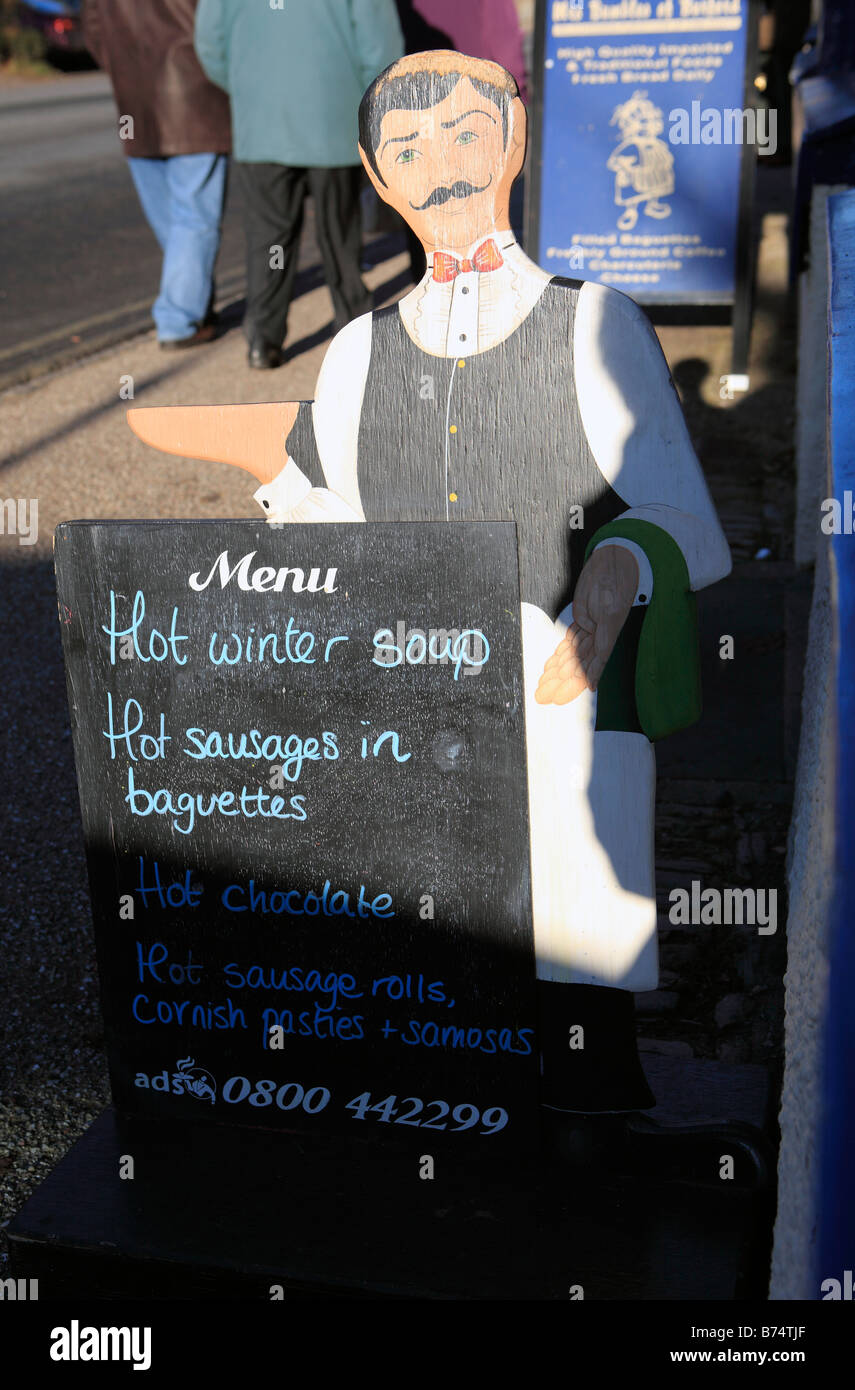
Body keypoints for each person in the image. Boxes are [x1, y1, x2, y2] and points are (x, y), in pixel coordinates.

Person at [129, 51, 734, 1139]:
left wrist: (616, 568)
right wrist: (273, 510)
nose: (440, 166)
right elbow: (331, 524)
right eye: (408, 150)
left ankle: (593, 1120)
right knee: (435, 941)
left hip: (563, 703)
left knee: (568, 927)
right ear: (376, 173)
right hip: (412, 708)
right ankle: (454, 1105)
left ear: (514, 140)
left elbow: (689, 523)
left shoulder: (599, 325)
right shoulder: (359, 351)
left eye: (464, 133)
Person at [194, 0, 404, 369]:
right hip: (333, 115)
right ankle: (353, 328)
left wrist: (246, 86)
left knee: (268, 238)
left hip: (261, 121)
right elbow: (380, 45)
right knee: (340, 233)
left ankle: (264, 338)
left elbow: (210, 42)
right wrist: (369, 101)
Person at [82, 0, 231, 350]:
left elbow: (91, 26)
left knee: (172, 219)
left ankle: (194, 301)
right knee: (193, 219)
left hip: (134, 96)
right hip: (196, 92)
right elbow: (221, 21)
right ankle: (178, 318)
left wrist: (121, 62)